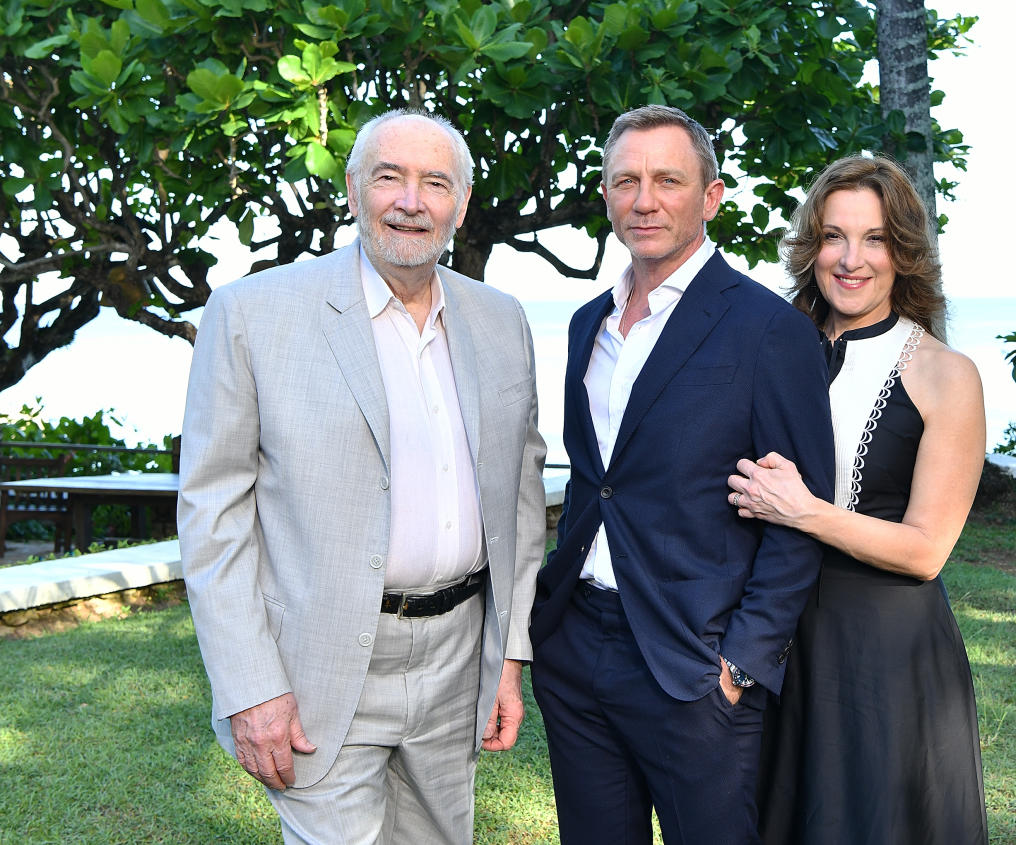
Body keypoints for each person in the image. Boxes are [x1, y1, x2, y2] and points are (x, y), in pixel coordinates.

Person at [177, 108, 547, 844]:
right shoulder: (253, 313)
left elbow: (522, 503)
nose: (411, 200)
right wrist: (251, 685)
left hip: (455, 659)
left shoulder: (502, 320)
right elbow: (212, 514)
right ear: (352, 189)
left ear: (461, 203)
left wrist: (509, 654)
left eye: (435, 183)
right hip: (319, 667)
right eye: (390, 177)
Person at [528, 105, 835, 845]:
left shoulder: (770, 331)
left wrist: (740, 662)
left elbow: (800, 516)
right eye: (625, 181)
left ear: (712, 196)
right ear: (604, 196)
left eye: (668, 179)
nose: (644, 199)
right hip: (577, 649)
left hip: (695, 664)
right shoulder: (585, 324)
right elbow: (597, 485)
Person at [727, 155, 989, 844]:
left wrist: (802, 509)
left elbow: (927, 549)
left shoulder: (945, 374)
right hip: (773, 642)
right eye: (833, 236)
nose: (851, 259)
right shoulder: (770, 347)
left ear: (902, 250)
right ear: (810, 246)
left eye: (873, 238)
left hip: (883, 659)